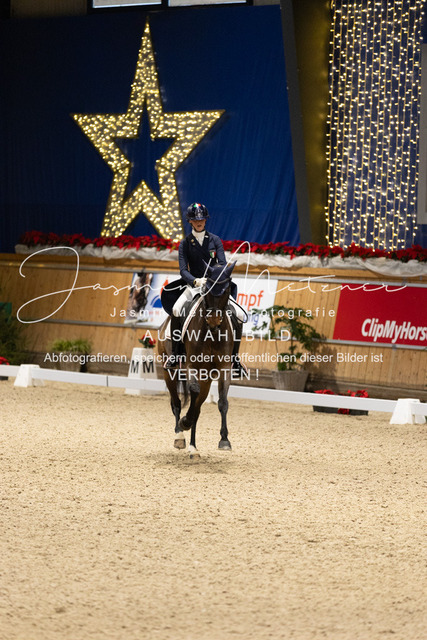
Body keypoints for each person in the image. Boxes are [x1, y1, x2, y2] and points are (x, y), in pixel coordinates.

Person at [161, 203, 246, 371]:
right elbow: (183, 270)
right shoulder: (185, 243)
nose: (199, 222)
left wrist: (214, 278)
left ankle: (234, 358)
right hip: (194, 286)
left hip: (214, 286)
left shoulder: (215, 240)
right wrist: (195, 281)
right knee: (177, 309)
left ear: (205, 220)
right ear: (190, 221)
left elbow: (222, 263)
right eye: (195, 219)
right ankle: (175, 355)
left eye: (201, 219)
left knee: (239, 314)